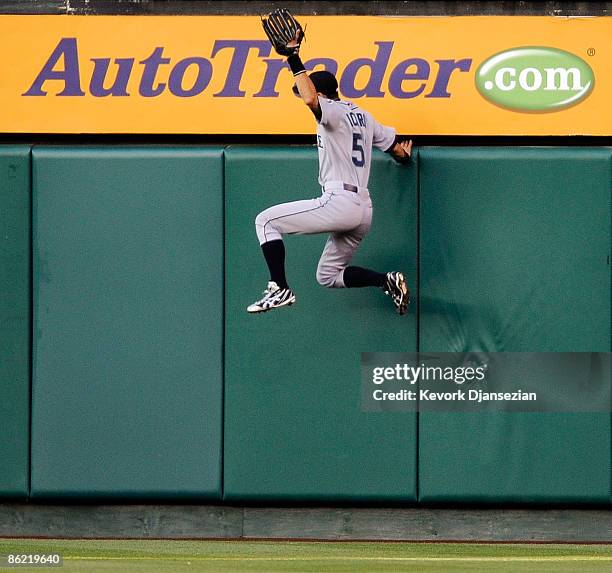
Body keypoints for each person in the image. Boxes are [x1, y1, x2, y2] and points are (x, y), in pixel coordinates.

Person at [248, 12, 413, 315]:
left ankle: (279, 288)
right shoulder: (363, 115)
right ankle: (386, 281)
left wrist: (294, 58)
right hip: (363, 209)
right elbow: (398, 151)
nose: (302, 97)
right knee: (328, 275)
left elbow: (312, 100)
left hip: (341, 201)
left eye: (304, 91)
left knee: (266, 221)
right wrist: (404, 156)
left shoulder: (331, 112)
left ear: (322, 93)